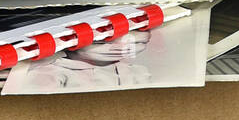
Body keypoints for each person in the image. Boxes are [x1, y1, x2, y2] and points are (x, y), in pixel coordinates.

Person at [20, 29, 152, 90]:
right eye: (100, 43)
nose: (119, 49)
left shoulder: (138, 71)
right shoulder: (50, 73)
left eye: (137, 43)